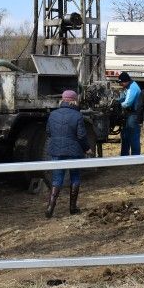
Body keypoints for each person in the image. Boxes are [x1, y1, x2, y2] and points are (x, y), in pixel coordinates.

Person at [45, 89, 92, 218]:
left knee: (57, 179)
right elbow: (81, 136)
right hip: (74, 151)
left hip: (56, 150)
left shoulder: (53, 114)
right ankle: (72, 207)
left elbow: (48, 132)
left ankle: (50, 207)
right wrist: (87, 149)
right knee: (75, 177)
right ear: (74, 101)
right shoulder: (77, 115)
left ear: (63, 100)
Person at [117, 72, 142, 157]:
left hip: (133, 115)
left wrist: (117, 105)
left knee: (133, 136)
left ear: (126, 81)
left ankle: (135, 157)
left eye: (121, 83)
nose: (120, 84)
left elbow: (127, 103)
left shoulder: (133, 88)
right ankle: (124, 156)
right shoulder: (129, 87)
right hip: (129, 114)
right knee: (125, 136)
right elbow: (124, 98)